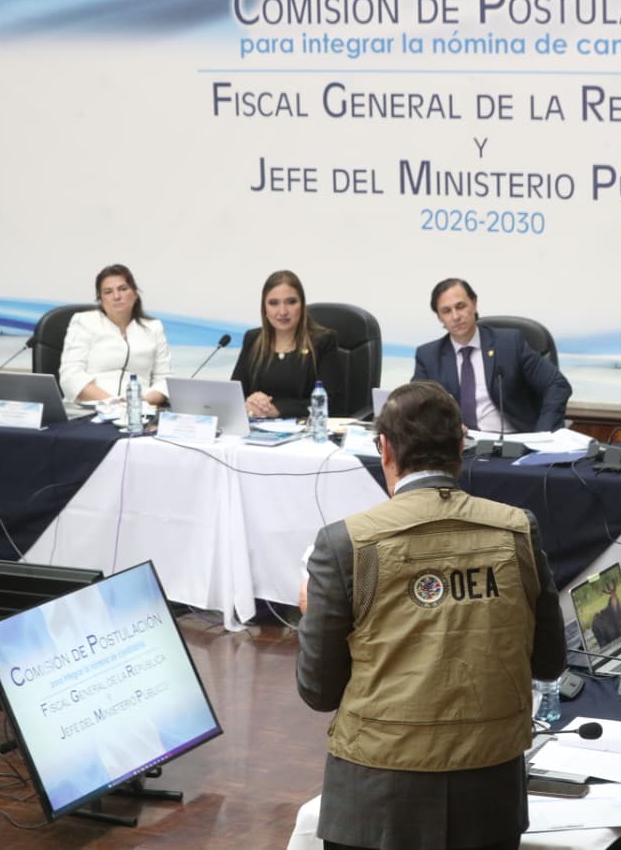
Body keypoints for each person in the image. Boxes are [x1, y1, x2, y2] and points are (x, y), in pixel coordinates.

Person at [296, 381, 566, 850]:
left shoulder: (345, 544)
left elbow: (318, 690)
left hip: (376, 797)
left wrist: (310, 618)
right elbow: (549, 663)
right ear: (461, 446)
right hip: (490, 791)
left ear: (384, 448)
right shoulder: (518, 530)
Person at [413, 278, 570, 433]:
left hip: (513, 444)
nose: (455, 316)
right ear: (440, 317)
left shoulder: (509, 344)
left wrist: (543, 435)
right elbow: (414, 405)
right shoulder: (428, 356)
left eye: (460, 306)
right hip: (458, 447)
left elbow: (557, 384)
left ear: (474, 304)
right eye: (446, 311)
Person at [230, 270, 340, 418]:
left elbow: (328, 403)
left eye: (291, 302)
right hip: (258, 433)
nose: (282, 311)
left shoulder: (323, 341)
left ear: (302, 305)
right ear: (264, 309)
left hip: (306, 432)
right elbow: (234, 395)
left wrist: (276, 410)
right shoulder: (253, 339)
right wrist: (251, 401)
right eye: (273, 303)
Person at [58, 264, 172, 405]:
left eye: (123, 289)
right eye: (108, 292)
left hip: (139, 409)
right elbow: (71, 377)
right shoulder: (84, 322)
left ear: (135, 294)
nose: (117, 296)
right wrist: (115, 403)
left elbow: (164, 379)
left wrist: (144, 401)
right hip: (91, 408)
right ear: (100, 299)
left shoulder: (154, 328)